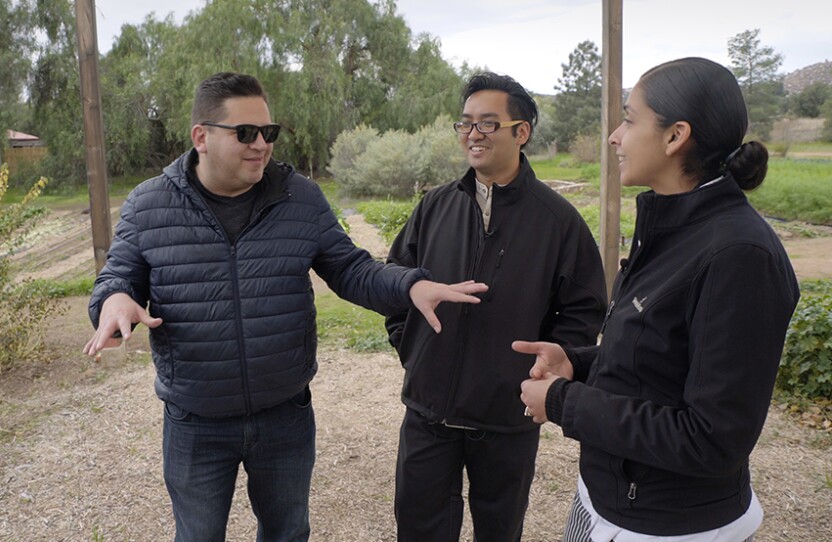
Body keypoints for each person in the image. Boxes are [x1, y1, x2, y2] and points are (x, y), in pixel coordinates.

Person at [83, 72, 488, 542]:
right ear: (202, 137)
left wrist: (410, 287)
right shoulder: (148, 204)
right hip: (195, 419)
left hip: (284, 415)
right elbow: (117, 277)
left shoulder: (299, 198)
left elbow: (351, 269)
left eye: (269, 133)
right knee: (196, 535)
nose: (261, 145)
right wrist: (113, 302)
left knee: (287, 532)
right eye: (246, 133)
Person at [516, 57, 800, 542]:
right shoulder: (672, 227)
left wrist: (564, 402)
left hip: (671, 527)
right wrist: (577, 363)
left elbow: (712, 439)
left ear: (675, 137)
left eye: (629, 119)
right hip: (610, 503)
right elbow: (659, 358)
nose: (614, 136)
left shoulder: (739, 257)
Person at [385, 71, 608, 541]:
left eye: (487, 123)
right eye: (465, 123)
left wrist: (543, 370)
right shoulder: (436, 206)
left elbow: (585, 310)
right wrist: (414, 351)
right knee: (418, 528)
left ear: (520, 132)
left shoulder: (558, 221)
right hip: (429, 412)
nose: (472, 134)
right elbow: (396, 282)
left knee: (499, 531)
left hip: (507, 417)